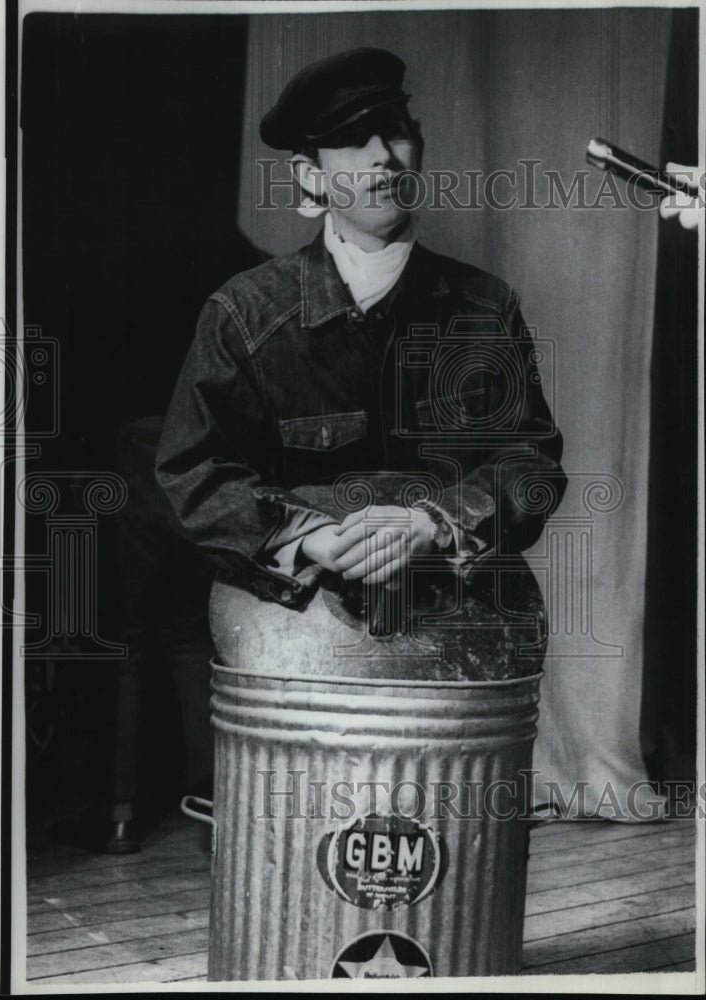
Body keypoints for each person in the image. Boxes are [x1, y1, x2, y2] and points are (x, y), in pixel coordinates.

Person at [156, 48, 566, 669]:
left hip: (466, 643)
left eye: (395, 132)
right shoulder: (244, 313)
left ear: (418, 149)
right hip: (291, 642)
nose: (381, 156)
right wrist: (314, 537)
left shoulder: (486, 308)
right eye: (351, 140)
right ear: (311, 176)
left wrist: (434, 526)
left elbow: (530, 463)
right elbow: (192, 472)